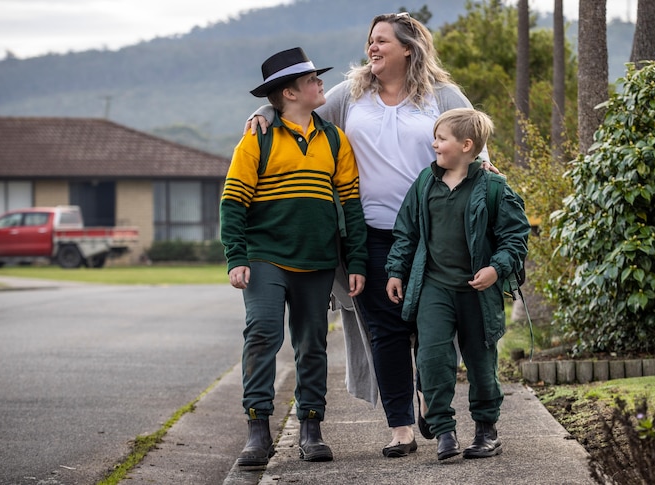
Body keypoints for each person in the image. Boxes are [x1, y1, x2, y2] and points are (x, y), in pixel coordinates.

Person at [246, 12, 494, 458]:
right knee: (385, 330)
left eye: (381, 41)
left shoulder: (442, 95)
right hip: (373, 233)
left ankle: (429, 400)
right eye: (370, 40)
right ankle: (400, 426)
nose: (372, 48)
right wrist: (265, 110)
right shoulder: (351, 94)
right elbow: (297, 107)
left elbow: (474, 145)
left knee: (432, 326)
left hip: (435, 234)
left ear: (409, 48)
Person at [221, 47, 368, 467]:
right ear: (288, 93)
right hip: (265, 255)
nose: (321, 84)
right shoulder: (257, 137)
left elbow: (352, 204)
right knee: (263, 334)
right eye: (311, 80)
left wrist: (355, 261)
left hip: (318, 260)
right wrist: (236, 256)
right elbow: (233, 201)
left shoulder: (335, 139)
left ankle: (311, 428)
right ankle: (257, 430)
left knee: (312, 345)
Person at [385, 108, 530, 460]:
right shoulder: (424, 183)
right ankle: (444, 432)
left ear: (467, 145)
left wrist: (496, 269)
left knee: (481, 363)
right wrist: (395, 271)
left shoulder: (495, 186)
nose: (434, 143)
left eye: (441, 138)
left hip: (478, 293)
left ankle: (486, 430)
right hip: (434, 286)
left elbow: (516, 236)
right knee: (433, 358)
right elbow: (407, 231)